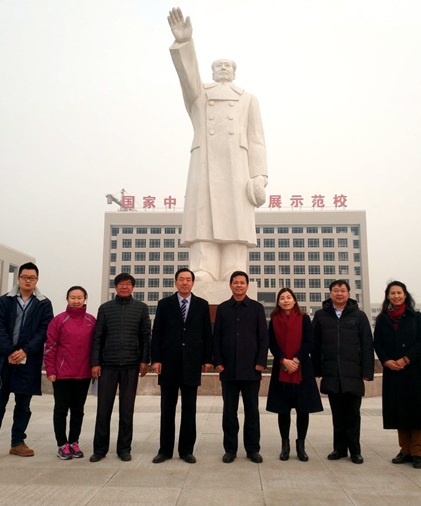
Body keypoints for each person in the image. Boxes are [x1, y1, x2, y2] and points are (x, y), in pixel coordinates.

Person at [167, 7, 268, 282]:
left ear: (234, 72)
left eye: (228, 66)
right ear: (212, 72)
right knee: (204, 215)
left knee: (236, 218)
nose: (223, 69)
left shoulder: (248, 98)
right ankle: (204, 267)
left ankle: (233, 270)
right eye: (218, 66)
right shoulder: (200, 96)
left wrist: (259, 175)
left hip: (238, 167)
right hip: (205, 162)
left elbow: (256, 138)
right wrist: (184, 43)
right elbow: (188, 78)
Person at [0, 262, 54, 463]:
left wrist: (25, 351)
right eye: (24, 277)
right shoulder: (5, 300)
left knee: (23, 405)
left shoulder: (44, 303)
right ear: (19, 278)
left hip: (28, 361)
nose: (28, 280)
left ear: (37, 280)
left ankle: (17, 442)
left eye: (32, 277)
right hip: (4, 359)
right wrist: (11, 351)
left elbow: (44, 331)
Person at [373, 281, 421, 469]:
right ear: (387, 296)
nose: (396, 296)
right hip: (393, 371)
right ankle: (405, 450)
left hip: (413, 370)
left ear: (405, 295)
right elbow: (377, 343)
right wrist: (386, 361)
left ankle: (418, 452)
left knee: (418, 411)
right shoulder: (383, 319)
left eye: (399, 292)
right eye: (392, 293)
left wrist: (406, 359)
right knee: (399, 411)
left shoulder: (415, 317)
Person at [150, 268, 213, 464]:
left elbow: (207, 334)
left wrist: (207, 359)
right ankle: (165, 450)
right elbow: (157, 333)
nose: (185, 283)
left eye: (188, 280)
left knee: (189, 409)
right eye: (181, 279)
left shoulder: (202, 305)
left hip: (192, 363)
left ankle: (186, 450)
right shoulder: (164, 304)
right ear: (175, 282)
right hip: (169, 363)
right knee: (167, 409)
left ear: (193, 283)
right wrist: (156, 359)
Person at [89, 273, 151, 462]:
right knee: (103, 409)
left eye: (128, 284)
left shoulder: (141, 308)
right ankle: (100, 449)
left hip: (131, 365)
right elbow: (98, 337)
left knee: (127, 409)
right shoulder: (105, 308)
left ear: (133, 287)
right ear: (115, 287)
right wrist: (95, 362)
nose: (125, 287)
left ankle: (124, 448)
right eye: (121, 284)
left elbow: (145, 336)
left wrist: (144, 360)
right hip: (108, 365)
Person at [312, 280, 373, 464]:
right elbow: (315, 345)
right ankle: (339, 449)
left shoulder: (359, 316)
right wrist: (317, 369)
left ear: (348, 293)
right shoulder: (321, 315)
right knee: (337, 415)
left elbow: (367, 344)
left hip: (352, 372)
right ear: (330, 293)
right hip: (331, 372)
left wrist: (367, 371)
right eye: (336, 290)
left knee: (353, 414)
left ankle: (355, 450)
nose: (339, 293)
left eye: (343, 290)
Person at [213, 271, 268, 463]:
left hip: (251, 369)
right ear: (230, 285)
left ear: (247, 286)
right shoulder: (223, 308)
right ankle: (230, 449)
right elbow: (216, 337)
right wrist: (217, 361)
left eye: (242, 283)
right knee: (229, 411)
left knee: (252, 411)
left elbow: (263, 337)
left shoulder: (257, 308)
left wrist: (261, 361)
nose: (238, 285)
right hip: (228, 369)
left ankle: (253, 449)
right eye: (235, 282)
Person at [266, 288, 323, 462]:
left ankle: (301, 445)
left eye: (288, 297)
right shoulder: (274, 320)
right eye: (282, 298)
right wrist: (284, 360)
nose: (285, 300)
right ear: (278, 302)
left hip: (302, 369)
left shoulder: (304, 318)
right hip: (281, 367)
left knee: (302, 409)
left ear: (294, 300)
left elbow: (310, 341)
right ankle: (285, 446)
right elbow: (272, 344)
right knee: (283, 410)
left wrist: (297, 360)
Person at [44, 286, 96, 460]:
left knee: (78, 410)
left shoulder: (91, 320)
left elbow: (96, 346)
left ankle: (74, 442)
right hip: (62, 374)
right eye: (73, 297)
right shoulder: (59, 320)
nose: (76, 300)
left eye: (80, 297)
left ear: (85, 299)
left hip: (84, 373)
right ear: (67, 299)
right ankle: (62, 444)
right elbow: (50, 346)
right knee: (61, 409)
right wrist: (50, 369)